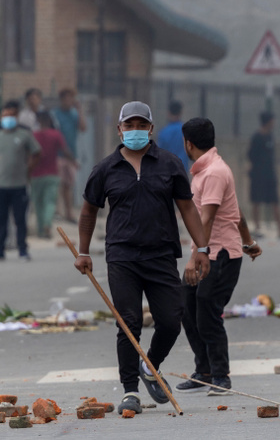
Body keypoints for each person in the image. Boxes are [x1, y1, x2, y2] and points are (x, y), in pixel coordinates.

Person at [74, 101, 211, 415]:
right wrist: (83, 253)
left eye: (141, 125)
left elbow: (188, 208)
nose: (135, 131)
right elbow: (88, 212)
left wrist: (201, 249)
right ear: (119, 129)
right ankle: (130, 390)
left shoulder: (169, 163)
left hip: (161, 254)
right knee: (128, 323)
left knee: (171, 320)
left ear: (151, 128)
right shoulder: (105, 169)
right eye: (129, 125)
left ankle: (150, 367)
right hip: (122, 257)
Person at [175, 117, 262, 396]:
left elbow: (208, 218)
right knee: (186, 306)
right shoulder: (205, 170)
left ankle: (221, 375)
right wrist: (249, 242)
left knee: (207, 310)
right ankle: (204, 370)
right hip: (209, 252)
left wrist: (196, 255)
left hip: (219, 255)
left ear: (188, 143)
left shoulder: (213, 172)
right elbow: (236, 213)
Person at [0, 101, 41, 260]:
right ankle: (1, 249)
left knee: (19, 219)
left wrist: (29, 169)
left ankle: (22, 249)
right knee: (1, 220)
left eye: (11, 116)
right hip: (1, 186)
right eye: (5, 116)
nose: (8, 118)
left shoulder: (24, 135)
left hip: (19, 185)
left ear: (16, 117)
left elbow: (36, 152)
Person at [31, 112, 76, 238]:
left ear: (38, 122)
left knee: (38, 203)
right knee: (50, 202)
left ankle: (41, 230)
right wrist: (73, 160)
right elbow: (65, 151)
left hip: (36, 174)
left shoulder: (33, 135)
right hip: (52, 173)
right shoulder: (56, 135)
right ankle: (47, 225)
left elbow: (29, 154)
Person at [247, 111, 280, 239]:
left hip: (270, 175)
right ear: (268, 121)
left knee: (275, 201)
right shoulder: (257, 137)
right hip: (258, 175)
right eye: (273, 120)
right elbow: (250, 155)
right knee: (256, 201)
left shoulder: (271, 136)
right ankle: (257, 228)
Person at [53, 88, 87, 223]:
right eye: (66, 98)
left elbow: (83, 128)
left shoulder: (74, 114)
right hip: (58, 154)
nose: (69, 101)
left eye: (71, 98)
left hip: (71, 154)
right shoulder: (55, 114)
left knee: (68, 184)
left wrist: (80, 111)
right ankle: (56, 211)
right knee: (57, 184)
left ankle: (69, 213)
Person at [157, 100, 190, 174]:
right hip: (182, 169)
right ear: (180, 113)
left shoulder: (163, 132)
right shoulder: (186, 131)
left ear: (168, 113)